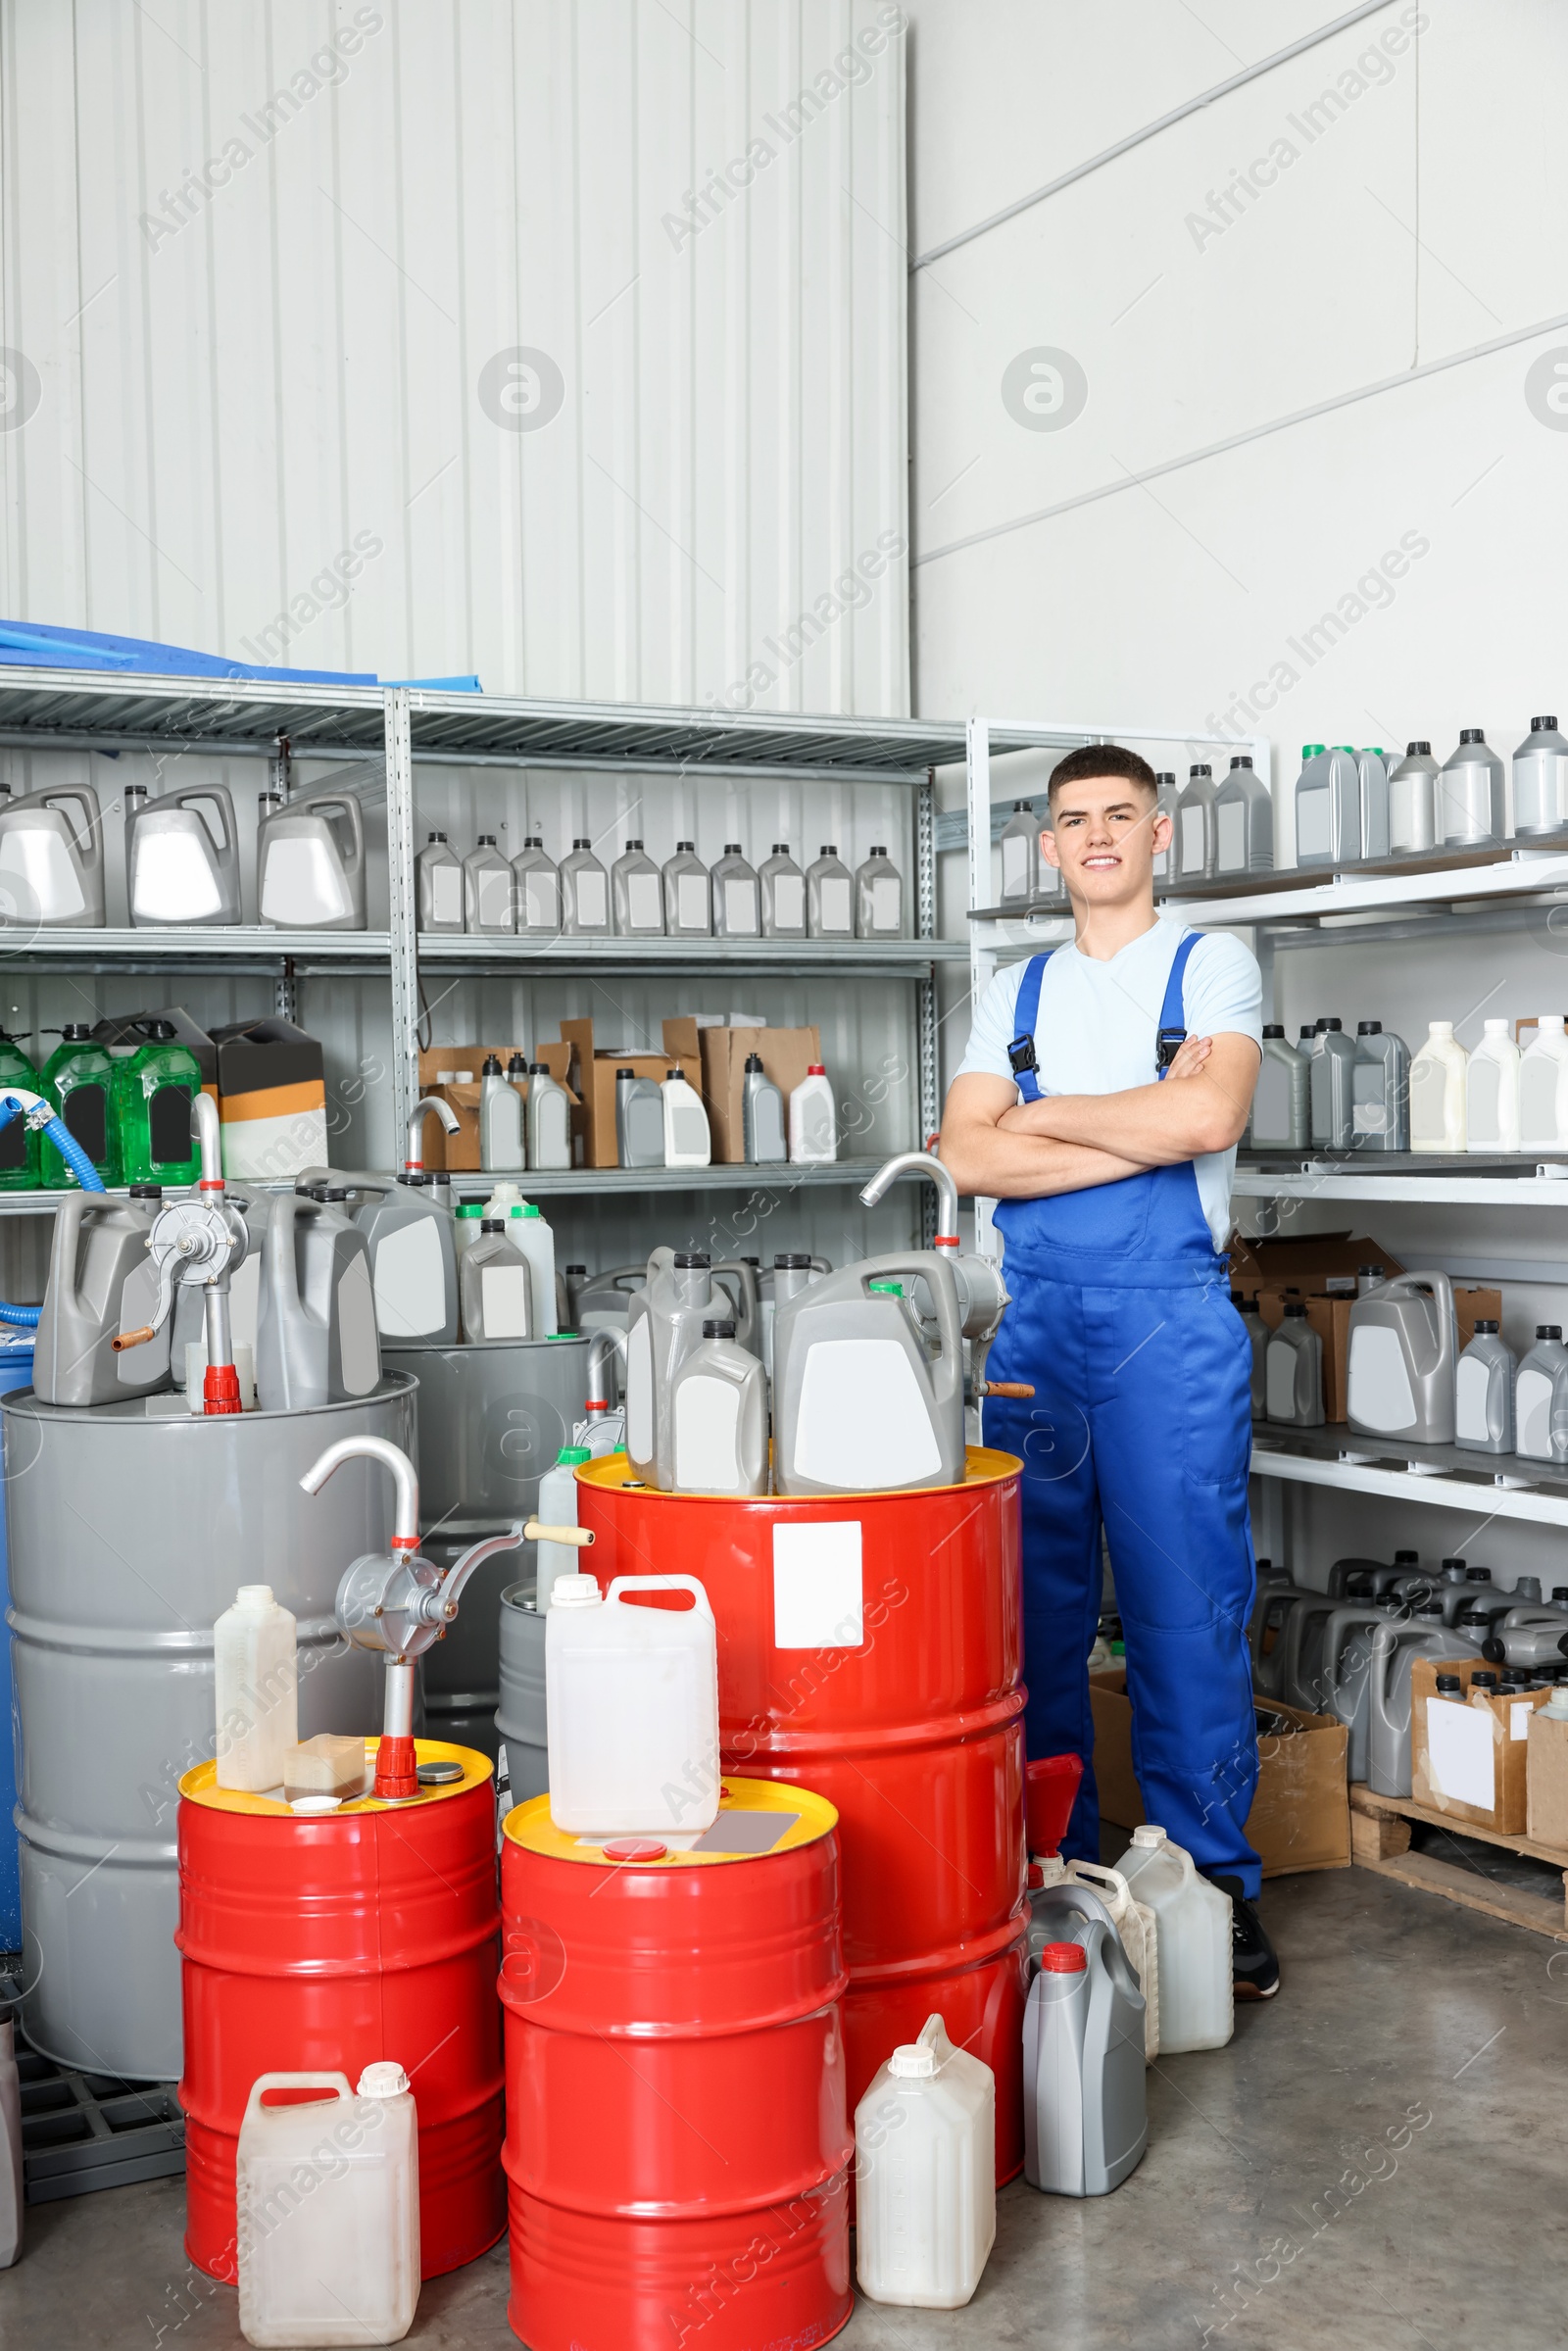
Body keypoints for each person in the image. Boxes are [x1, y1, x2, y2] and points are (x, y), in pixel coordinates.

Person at [940, 742, 1278, 2000]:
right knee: (1031, 1619)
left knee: (1186, 1611)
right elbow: (962, 1159)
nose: (1096, 836)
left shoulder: (1211, 963)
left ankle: (1212, 1894)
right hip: (1033, 1335)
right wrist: (1123, 1115)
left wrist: (1034, 1116)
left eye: (1118, 816)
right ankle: (1059, 1879)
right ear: (1046, 845)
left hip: (1167, 1329)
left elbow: (1205, 1120)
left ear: (1158, 834)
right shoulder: (1007, 986)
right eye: (1073, 819)